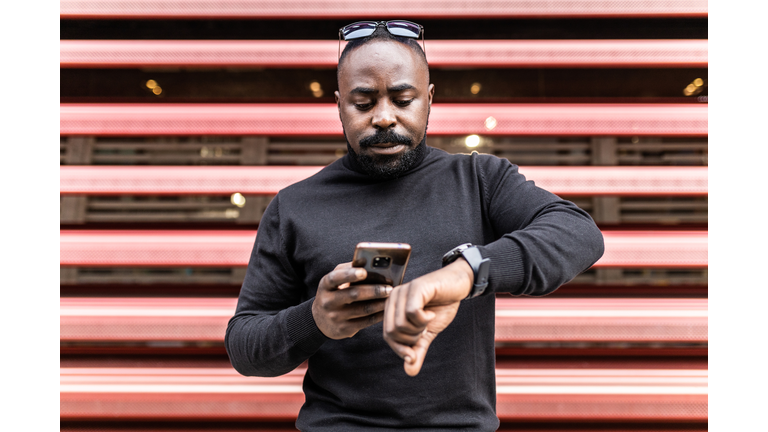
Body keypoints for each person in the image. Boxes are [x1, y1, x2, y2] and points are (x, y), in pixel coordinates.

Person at [226, 21, 604, 431]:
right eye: (363, 103)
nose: (384, 117)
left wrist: (467, 271)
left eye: (402, 99)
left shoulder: (479, 180)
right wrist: (315, 320)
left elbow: (578, 233)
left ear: (429, 99)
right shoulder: (294, 206)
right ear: (338, 105)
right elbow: (245, 346)